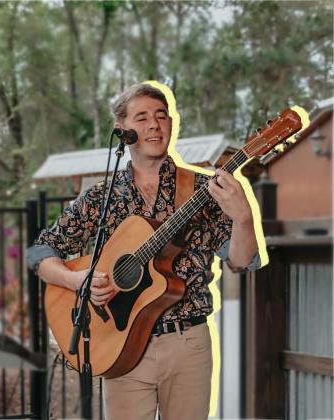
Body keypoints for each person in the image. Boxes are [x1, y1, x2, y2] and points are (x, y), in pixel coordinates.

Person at [26, 83, 261, 419]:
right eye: (142, 117)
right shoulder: (101, 197)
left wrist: (244, 218)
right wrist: (77, 280)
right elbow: (39, 253)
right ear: (122, 131)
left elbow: (242, 261)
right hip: (120, 347)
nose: (154, 124)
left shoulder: (201, 189)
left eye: (161, 116)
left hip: (187, 344)